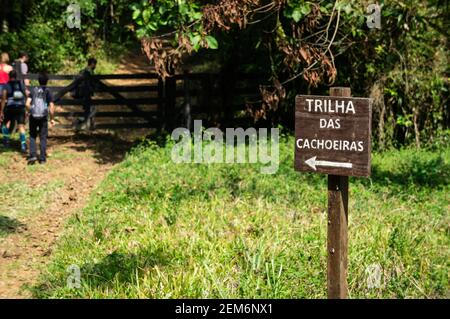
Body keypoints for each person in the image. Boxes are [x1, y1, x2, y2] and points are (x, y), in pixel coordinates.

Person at [26, 73, 55, 165]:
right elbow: (51, 106)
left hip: (33, 116)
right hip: (43, 117)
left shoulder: (33, 90)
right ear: (47, 81)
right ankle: (42, 159)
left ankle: (33, 155)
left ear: (38, 80)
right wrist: (52, 118)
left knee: (32, 136)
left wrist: (31, 111)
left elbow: (27, 104)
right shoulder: (48, 91)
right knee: (43, 137)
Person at [0, 70, 28, 152]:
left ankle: (7, 141)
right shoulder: (21, 84)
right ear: (16, 76)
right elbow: (27, 94)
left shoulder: (6, 85)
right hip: (21, 107)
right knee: (21, 126)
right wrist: (26, 106)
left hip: (10, 107)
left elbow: (4, 98)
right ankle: (23, 145)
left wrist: (1, 111)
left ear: (9, 76)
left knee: (4, 124)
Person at [72, 57, 97, 129]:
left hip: (82, 94)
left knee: (90, 109)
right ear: (92, 64)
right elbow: (91, 83)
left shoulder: (82, 70)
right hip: (86, 94)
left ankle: (88, 125)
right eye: (95, 64)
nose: (95, 66)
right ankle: (80, 123)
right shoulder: (89, 71)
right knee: (91, 109)